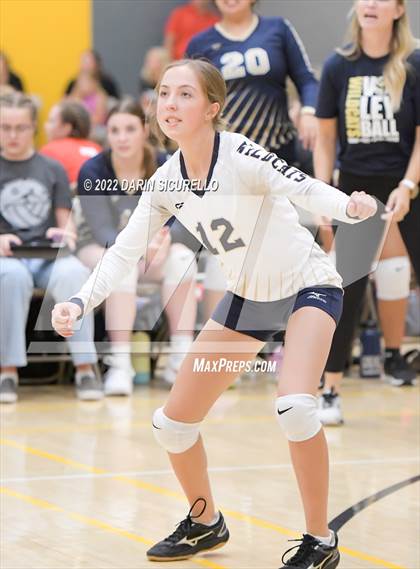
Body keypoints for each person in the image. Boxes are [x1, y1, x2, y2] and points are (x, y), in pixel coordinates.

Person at [52, 59, 377, 568]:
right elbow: (122, 252)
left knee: (295, 406)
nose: (170, 104)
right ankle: (205, 522)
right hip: (248, 298)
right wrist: (77, 301)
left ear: (212, 108)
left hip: (306, 286)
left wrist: (348, 207)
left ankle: (320, 539)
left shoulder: (241, 154)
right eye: (163, 94)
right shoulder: (165, 180)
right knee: (172, 424)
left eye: (185, 94)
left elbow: (304, 187)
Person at [314, 0, 420, 425]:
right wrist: (322, 194)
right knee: (348, 290)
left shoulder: (413, 62)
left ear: (398, 10)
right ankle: (330, 389)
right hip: (356, 190)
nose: (371, 5)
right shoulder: (337, 67)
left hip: (407, 183)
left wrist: (409, 186)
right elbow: (324, 139)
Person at [186, 0, 320, 312]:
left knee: (285, 248)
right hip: (228, 164)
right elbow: (189, 98)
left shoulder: (278, 30)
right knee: (231, 254)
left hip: (279, 159)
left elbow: (306, 78)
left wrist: (310, 111)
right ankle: (227, 346)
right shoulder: (200, 43)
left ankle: (282, 337)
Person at [76, 98, 199, 392]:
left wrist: (166, 238)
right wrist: (141, 247)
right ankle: (120, 365)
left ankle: (179, 360)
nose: (121, 138)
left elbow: (184, 217)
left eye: (129, 129)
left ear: (145, 130)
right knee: (123, 267)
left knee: (183, 260)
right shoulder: (93, 170)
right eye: (114, 130)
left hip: (153, 251)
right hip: (98, 247)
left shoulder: (166, 165)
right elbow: (100, 228)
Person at [0, 92, 102, 404]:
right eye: (5, 127)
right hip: (7, 257)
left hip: (46, 254)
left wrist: (66, 234)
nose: (13, 135)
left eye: (20, 128)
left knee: (73, 273)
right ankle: (8, 371)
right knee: (11, 277)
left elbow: (65, 222)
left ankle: (85, 367)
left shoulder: (52, 168)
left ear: (34, 129)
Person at [41, 101, 101, 189]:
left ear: (66, 128)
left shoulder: (50, 150)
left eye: (51, 121)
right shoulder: (97, 148)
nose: (45, 126)